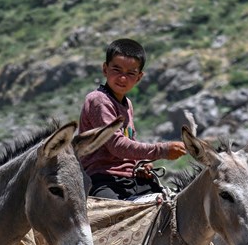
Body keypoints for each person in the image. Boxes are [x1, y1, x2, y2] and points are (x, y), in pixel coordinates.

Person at [77, 38, 187, 199]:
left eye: (130, 73)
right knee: (114, 215)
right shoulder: (98, 100)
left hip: (130, 178)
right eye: (117, 70)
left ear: (139, 77)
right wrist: (162, 150)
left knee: (169, 206)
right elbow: (117, 146)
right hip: (101, 178)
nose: (122, 78)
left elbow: (129, 142)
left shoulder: (127, 103)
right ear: (105, 69)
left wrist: (140, 163)